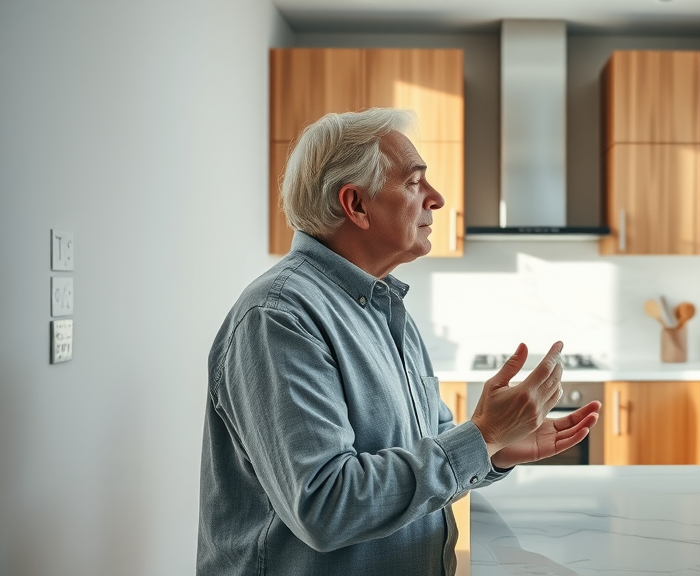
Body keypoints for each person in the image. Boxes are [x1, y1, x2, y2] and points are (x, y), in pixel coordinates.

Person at [197, 108, 601, 576]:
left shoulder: (386, 308)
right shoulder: (279, 317)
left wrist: (495, 448)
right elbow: (326, 505)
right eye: (414, 183)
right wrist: (484, 435)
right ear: (357, 205)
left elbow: (433, 448)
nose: (438, 198)